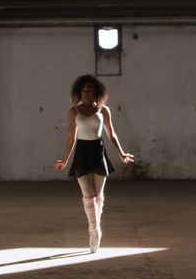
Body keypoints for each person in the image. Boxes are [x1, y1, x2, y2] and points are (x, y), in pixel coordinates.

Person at [53, 74, 135, 253]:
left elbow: (111, 134)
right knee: (88, 195)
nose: (86, 94)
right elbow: (71, 137)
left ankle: (95, 230)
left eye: (89, 91)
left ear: (96, 93)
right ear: (79, 92)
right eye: (83, 91)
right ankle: (94, 229)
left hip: (98, 152)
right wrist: (64, 160)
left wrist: (121, 154)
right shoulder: (74, 111)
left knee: (98, 195)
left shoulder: (104, 110)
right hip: (82, 153)